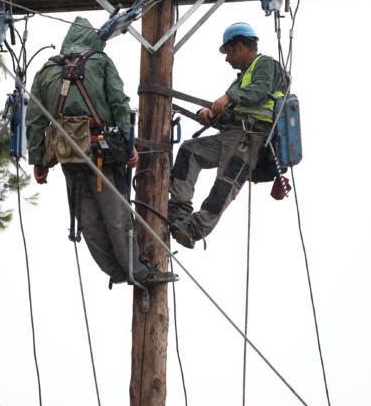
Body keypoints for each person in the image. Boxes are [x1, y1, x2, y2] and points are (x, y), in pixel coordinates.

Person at [25, 16, 176, 286]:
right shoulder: (100, 62)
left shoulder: (46, 71)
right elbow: (119, 102)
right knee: (116, 214)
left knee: (87, 218)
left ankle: (116, 271)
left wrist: (39, 161)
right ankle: (138, 272)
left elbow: (35, 119)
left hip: (68, 156)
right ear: (90, 38)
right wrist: (129, 146)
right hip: (101, 153)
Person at [169, 22, 287, 248]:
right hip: (234, 134)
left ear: (240, 46)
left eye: (229, 52)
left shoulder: (266, 65)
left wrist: (227, 98)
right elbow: (235, 112)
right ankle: (179, 207)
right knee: (190, 150)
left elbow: (258, 93)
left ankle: (195, 228)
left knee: (225, 184)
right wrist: (210, 115)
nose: (226, 59)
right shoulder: (241, 79)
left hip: (252, 138)